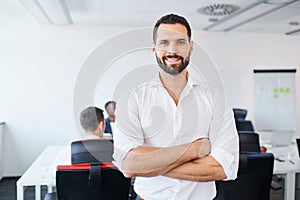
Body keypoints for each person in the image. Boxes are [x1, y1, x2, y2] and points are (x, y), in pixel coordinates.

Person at [113, 14, 239, 200]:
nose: (172, 50)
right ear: (154, 49)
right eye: (164, 42)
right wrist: (194, 150)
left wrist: (149, 164)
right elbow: (129, 165)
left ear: (191, 47)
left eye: (180, 42)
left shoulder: (215, 99)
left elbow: (224, 167)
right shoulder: (132, 99)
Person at [44, 106, 106, 200]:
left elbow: (50, 181)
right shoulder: (117, 153)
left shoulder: (66, 153)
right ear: (102, 125)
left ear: (83, 126)